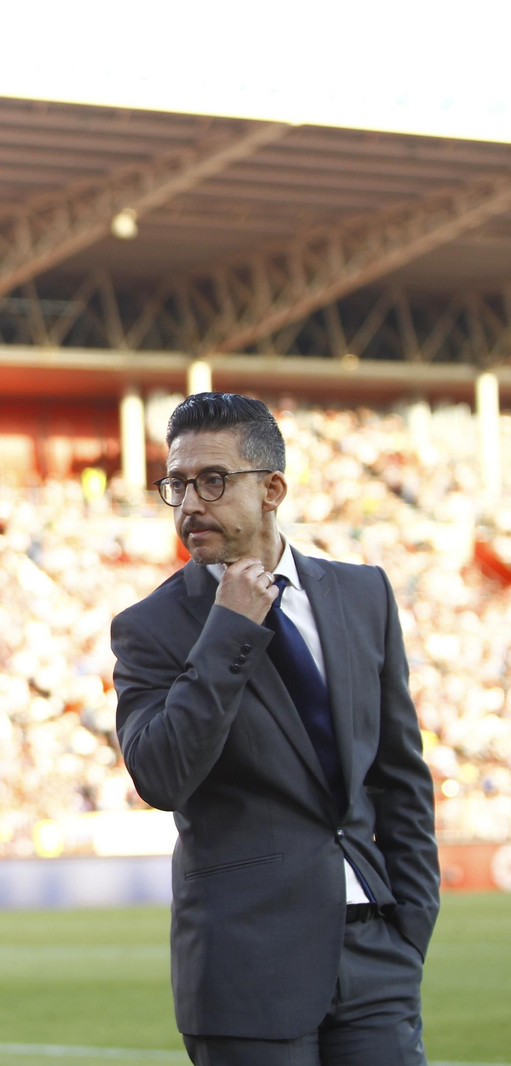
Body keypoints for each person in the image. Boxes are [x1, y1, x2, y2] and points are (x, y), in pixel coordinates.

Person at [111, 392, 438, 1065]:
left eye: (213, 480)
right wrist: (229, 628)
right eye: (176, 483)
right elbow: (161, 776)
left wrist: (410, 925)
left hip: (377, 957)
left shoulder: (363, 594)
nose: (189, 503)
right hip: (245, 969)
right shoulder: (150, 627)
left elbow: (401, 774)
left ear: (273, 489)